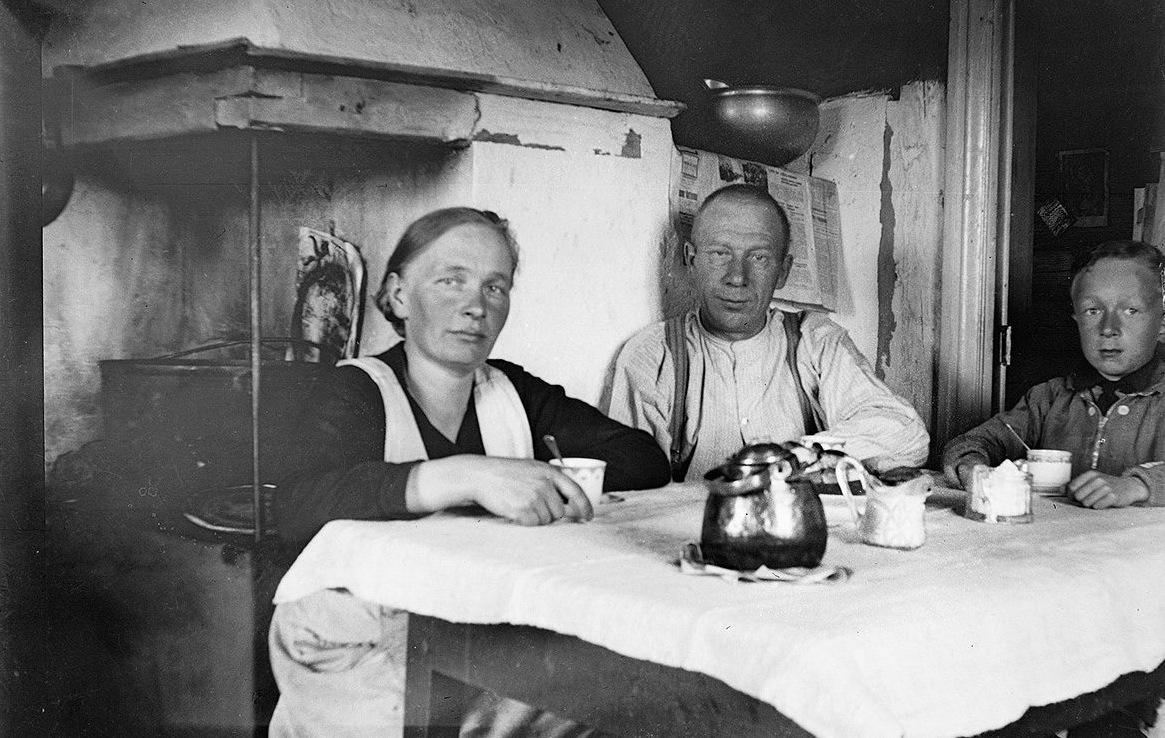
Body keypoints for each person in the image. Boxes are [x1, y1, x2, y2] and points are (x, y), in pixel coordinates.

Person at [269, 207, 669, 738]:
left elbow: (643, 458)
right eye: (451, 281)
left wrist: (536, 480)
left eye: (494, 287)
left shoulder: (514, 393)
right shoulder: (357, 390)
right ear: (399, 295)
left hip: (473, 630)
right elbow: (296, 505)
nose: (476, 306)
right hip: (355, 643)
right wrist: (464, 476)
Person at [606, 183, 929, 482]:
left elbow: (905, 433)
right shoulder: (654, 355)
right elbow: (630, 483)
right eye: (720, 254)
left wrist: (799, 456)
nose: (737, 277)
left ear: (783, 271)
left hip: (798, 519)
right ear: (691, 260)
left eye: (759, 258)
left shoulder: (814, 341)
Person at [944, 240, 1165, 509]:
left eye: (1131, 310)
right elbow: (974, 442)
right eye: (1093, 311)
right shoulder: (1048, 398)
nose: (1109, 328)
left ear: (1162, 321)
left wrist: (1138, 486)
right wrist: (971, 465)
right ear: (1077, 320)